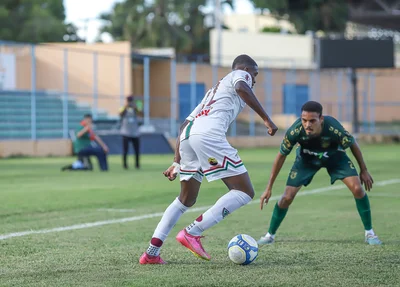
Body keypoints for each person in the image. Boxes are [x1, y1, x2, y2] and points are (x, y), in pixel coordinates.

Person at [139, 54, 278, 265]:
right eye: (255, 74)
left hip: (188, 137)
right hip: (209, 136)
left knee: (185, 199)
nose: (254, 80)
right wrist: (266, 119)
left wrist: (177, 161)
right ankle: (192, 232)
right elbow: (242, 86)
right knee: (244, 191)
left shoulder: (213, 92)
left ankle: (151, 253)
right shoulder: (240, 75)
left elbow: (183, 125)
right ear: (246, 69)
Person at [258, 101, 382, 246]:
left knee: (357, 189)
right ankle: (269, 235)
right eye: (304, 120)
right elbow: (280, 156)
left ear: (321, 119)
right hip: (306, 159)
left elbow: (352, 143)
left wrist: (364, 170)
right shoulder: (295, 131)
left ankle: (370, 233)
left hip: (335, 157)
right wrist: (269, 187)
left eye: (312, 121)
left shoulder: (333, 127)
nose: (307, 124)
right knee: (286, 197)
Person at [120, 96, 142, 169]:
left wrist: (135, 107)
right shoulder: (123, 107)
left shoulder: (135, 108)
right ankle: (125, 164)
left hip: (135, 132)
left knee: (137, 150)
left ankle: (137, 164)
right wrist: (126, 107)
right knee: (125, 150)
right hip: (126, 132)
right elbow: (120, 114)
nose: (130, 102)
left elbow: (140, 113)